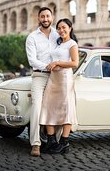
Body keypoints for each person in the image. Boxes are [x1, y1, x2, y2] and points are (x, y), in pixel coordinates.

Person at [39, 18, 79, 154]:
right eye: (59, 28)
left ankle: (64, 142)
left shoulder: (72, 44)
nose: (61, 30)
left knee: (65, 109)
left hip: (64, 80)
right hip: (53, 78)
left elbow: (74, 63)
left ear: (70, 28)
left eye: (64, 27)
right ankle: (51, 140)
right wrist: (53, 64)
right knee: (47, 106)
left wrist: (57, 63)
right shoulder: (57, 44)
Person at [25, 6, 59, 157]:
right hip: (39, 76)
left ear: (52, 17)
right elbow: (32, 60)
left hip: (56, 77)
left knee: (57, 108)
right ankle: (36, 144)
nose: (45, 19)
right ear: (38, 18)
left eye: (48, 16)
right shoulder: (32, 37)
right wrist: (48, 66)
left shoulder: (58, 35)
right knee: (36, 107)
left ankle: (55, 141)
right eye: (42, 17)